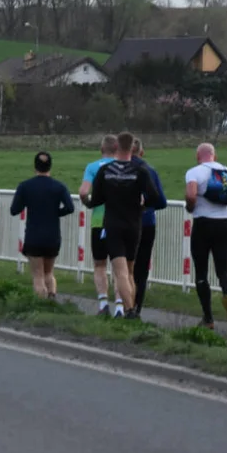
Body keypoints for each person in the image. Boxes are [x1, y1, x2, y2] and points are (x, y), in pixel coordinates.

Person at [87, 131, 160, 319]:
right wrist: (143, 206)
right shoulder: (140, 171)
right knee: (130, 271)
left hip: (113, 225)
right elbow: (156, 198)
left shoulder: (106, 171)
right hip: (134, 225)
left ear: (117, 147)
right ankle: (132, 309)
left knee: (120, 272)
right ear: (133, 149)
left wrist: (86, 200)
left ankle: (128, 311)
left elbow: (95, 200)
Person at [184, 142, 227, 329]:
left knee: (201, 271)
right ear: (215, 156)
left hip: (202, 224)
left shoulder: (194, 172)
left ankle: (208, 318)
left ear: (198, 156)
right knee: (223, 268)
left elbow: (191, 195)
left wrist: (190, 208)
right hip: (224, 224)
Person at [10, 151, 75, 299]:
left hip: (34, 235)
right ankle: (52, 298)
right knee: (49, 272)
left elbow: (14, 210)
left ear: (35, 167)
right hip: (52, 236)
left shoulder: (25, 186)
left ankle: (41, 303)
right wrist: (56, 213)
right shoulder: (59, 187)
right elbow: (70, 207)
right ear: (50, 167)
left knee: (37, 275)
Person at [78, 134, 118, 315]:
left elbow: (83, 191)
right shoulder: (125, 166)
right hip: (121, 220)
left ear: (102, 150)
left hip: (99, 220)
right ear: (118, 150)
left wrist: (89, 203)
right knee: (120, 266)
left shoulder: (93, 167)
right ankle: (120, 305)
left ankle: (103, 304)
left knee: (100, 264)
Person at [130, 138, 168, 318]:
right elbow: (162, 202)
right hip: (147, 222)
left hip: (124, 222)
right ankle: (137, 307)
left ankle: (124, 305)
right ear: (142, 152)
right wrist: (148, 205)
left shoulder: (117, 169)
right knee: (141, 268)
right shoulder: (150, 171)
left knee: (124, 266)